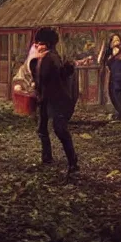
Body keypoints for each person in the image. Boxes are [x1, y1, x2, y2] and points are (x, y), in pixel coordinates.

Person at [33, 27, 79, 174]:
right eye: (37, 43)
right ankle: (46, 157)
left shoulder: (50, 58)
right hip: (46, 99)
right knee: (42, 129)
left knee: (60, 130)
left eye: (40, 43)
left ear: (48, 44)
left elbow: (56, 78)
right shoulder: (45, 58)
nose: (37, 46)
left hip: (56, 99)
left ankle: (73, 162)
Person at [99, 33, 121, 121]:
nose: (116, 42)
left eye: (117, 40)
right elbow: (100, 61)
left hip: (120, 78)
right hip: (113, 78)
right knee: (113, 96)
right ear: (110, 43)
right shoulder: (109, 53)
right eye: (114, 41)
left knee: (119, 96)